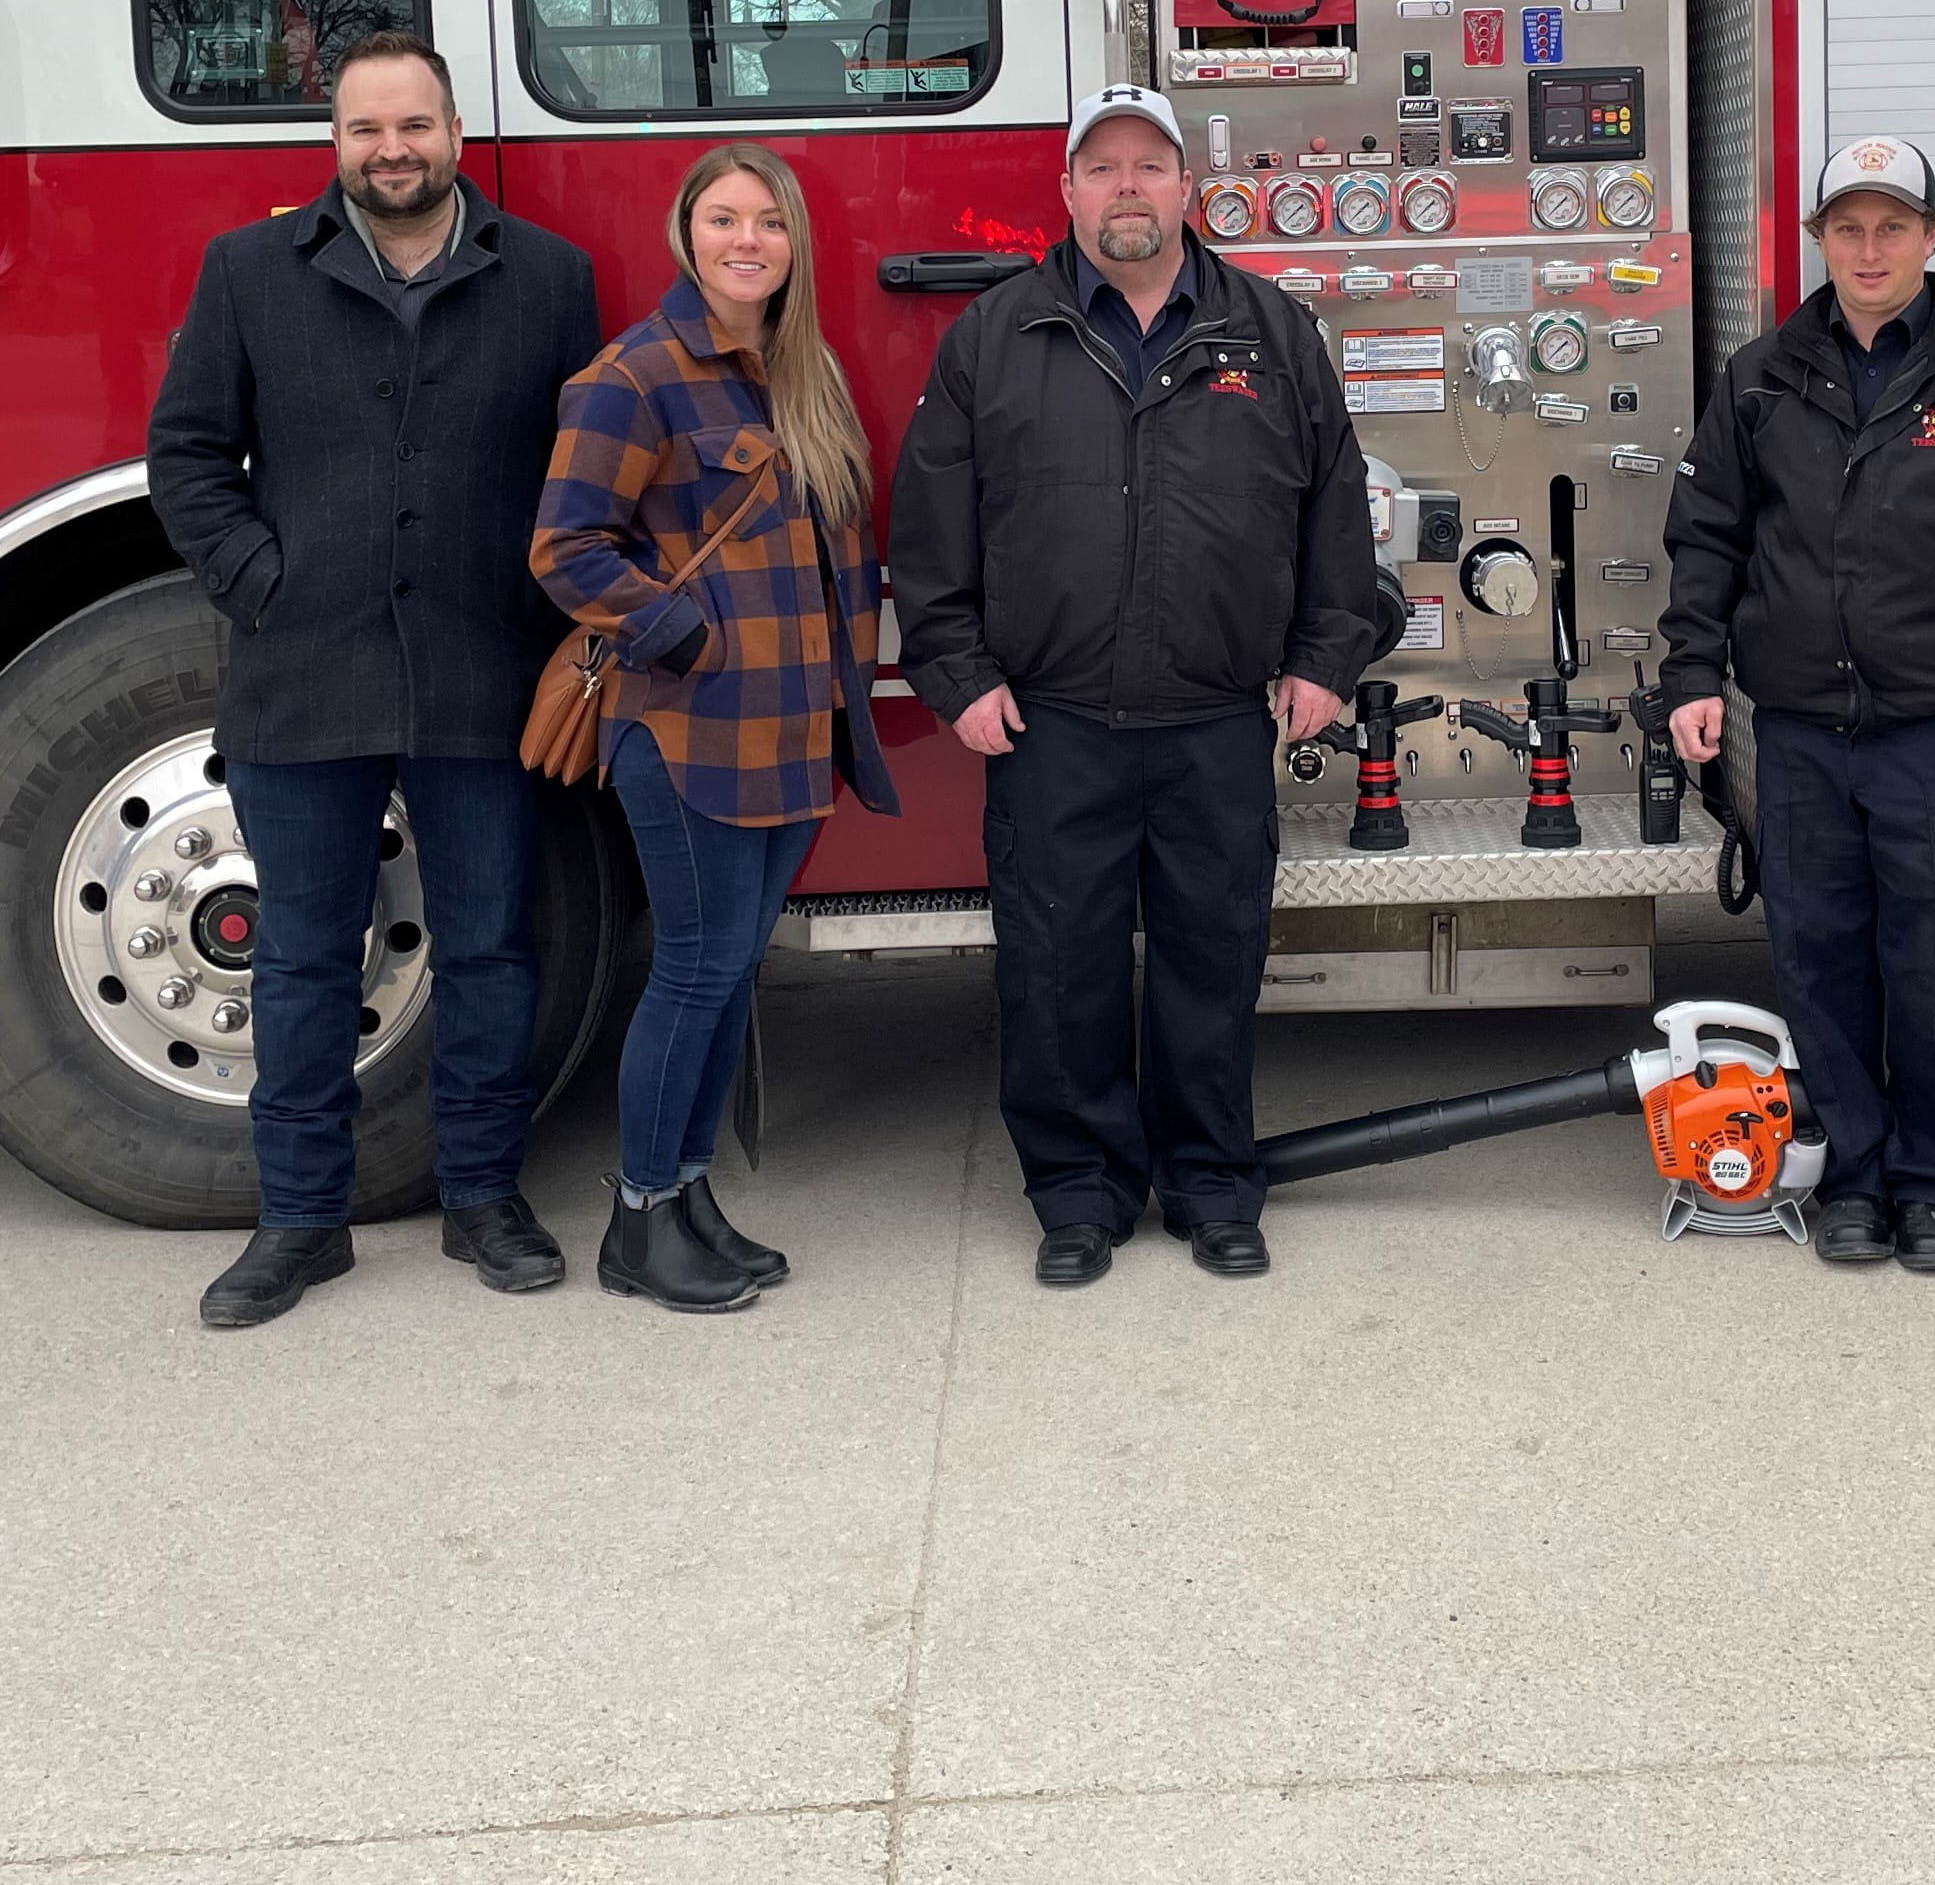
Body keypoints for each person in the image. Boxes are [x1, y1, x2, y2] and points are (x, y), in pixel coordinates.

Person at [146, 30, 602, 1330]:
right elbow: (183, 451)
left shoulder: (549, 280)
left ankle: (485, 1199)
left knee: (492, 951)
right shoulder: (248, 272)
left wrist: (546, 607)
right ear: (335, 142)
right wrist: (262, 584)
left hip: (484, 674)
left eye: (413, 126)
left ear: (454, 133)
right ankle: (298, 1222)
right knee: (299, 960)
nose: (391, 150)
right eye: (365, 130)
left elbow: (586, 461)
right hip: (306, 676)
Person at [887, 86, 1373, 1289]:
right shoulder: (996, 336)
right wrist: (954, 675)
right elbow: (930, 526)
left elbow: (1335, 509)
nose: (1125, 189)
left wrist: (1324, 658)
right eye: (1099, 168)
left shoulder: (1272, 331)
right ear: (1066, 193)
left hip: (1218, 719)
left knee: (1214, 968)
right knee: (1060, 973)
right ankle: (1079, 1193)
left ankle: (1211, 1184)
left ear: (1184, 185)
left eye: (1147, 166)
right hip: (1053, 726)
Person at [1660, 137, 1935, 1276]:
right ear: (1819, 239)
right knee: (1819, 960)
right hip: (1803, 734)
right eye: (1848, 227)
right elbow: (1708, 537)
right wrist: (1692, 675)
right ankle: (1854, 1179)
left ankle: (1934, 1183)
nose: (1870, 249)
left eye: (1893, 226)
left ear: (1934, 234)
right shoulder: (1760, 376)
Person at [535, 144, 897, 1314]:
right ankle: (637, 1221)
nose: (749, 241)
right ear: (687, 235)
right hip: (688, 731)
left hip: (792, 734)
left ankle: (687, 1196)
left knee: (733, 974)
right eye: (725, 219)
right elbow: (566, 549)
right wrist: (686, 640)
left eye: (770, 223)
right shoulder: (632, 378)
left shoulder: (801, 376)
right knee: (693, 972)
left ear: (794, 244)